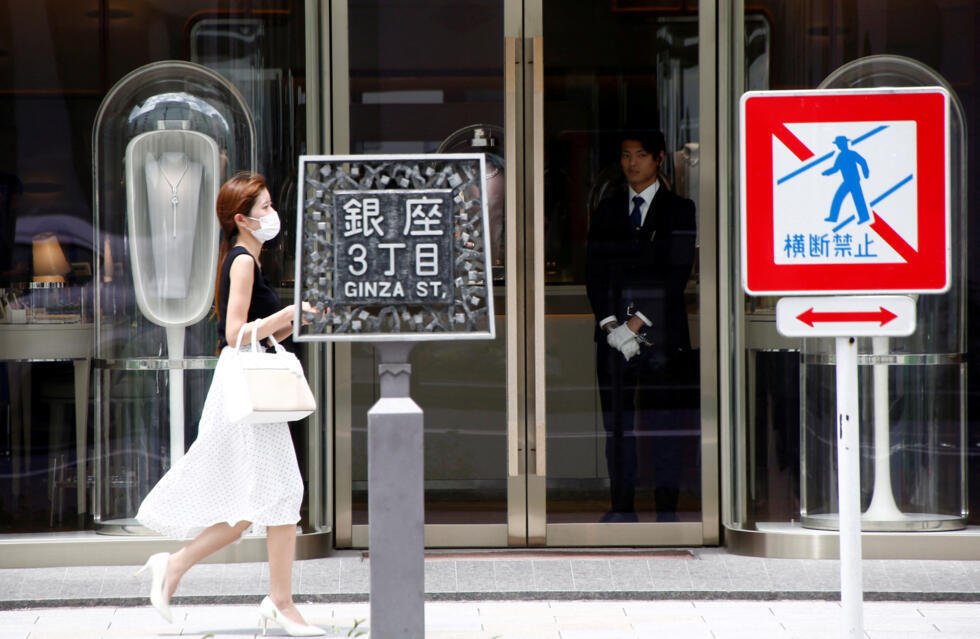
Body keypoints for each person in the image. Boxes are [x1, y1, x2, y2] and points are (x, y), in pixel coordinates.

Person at [135, 172, 325, 637]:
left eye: (270, 205)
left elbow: (258, 335)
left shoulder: (249, 262)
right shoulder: (242, 261)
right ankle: (273, 600)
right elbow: (234, 333)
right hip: (245, 390)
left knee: (262, 501)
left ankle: (190, 571)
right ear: (241, 219)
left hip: (247, 387)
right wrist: (284, 314)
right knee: (276, 495)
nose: (271, 214)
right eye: (263, 208)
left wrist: (294, 319)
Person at [586, 130, 697, 523]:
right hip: (612, 336)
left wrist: (635, 322)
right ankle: (622, 506)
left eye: (641, 155)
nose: (632, 163)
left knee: (663, 423)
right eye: (626, 155)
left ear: (660, 159)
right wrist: (610, 322)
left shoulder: (680, 209)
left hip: (661, 333)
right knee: (616, 425)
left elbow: (676, 270)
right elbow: (593, 271)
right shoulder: (607, 209)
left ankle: (667, 509)